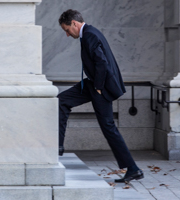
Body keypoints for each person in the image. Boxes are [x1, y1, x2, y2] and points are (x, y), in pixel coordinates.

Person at [57, 9, 143, 183]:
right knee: (61, 101)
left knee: (108, 127)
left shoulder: (90, 35)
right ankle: (58, 146)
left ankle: (133, 169)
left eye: (66, 30)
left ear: (74, 23)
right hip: (92, 84)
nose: (67, 34)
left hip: (100, 87)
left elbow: (102, 62)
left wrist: (97, 87)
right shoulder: (89, 33)